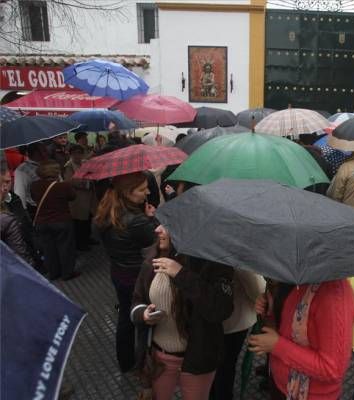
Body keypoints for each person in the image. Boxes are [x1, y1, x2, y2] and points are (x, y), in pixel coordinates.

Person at [131, 225, 234, 400]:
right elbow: (136, 301)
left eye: (167, 225)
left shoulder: (214, 263)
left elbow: (219, 310)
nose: (157, 229)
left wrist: (180, 273)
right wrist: (143, 314)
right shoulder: (152, 259)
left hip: (198, 359)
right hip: (160, 358)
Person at [249, 278, 354, 400]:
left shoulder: (335, 296)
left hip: (309, 394)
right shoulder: (299, 278)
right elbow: (287, 327)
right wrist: (268, 310)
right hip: (281, 384)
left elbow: (332, 369)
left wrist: (277, 346)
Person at [95, 172, 157, 372]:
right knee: (142, 321)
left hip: (118, 273)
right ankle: (144, 365)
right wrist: (151, 219)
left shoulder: (106, 210)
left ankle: (125, 361)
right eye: (142, 189)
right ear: (127, 192)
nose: (147, 192)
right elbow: (153, 242)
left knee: (125, 317)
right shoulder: (136, 220)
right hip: (138, 279)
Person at [212, 270, 265, 400]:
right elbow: (258, 290)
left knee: (217, 366)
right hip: (234, 322)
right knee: (226, 368)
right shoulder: (241, 255)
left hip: (214, 319)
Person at [30, 160, 78, 280]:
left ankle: (53, 273)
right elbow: (73, 197)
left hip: (42, 222)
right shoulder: (63, 186)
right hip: (61, 220)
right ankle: (67, 273)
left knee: (48, 249)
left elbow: (33, 198)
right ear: (56, 172)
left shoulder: (34, 185)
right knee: (65, 247)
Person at [63, 145, 97, 251]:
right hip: (77, 199)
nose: (77, 155)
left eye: (79, 153)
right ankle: (81, 243)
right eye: (75, 153)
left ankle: (87, 238)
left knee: (88, 219)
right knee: (79, 223)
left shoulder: (85, 163)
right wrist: (87, 182)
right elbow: (70, 181)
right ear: (71, 154)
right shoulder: (68, 166)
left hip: (89, 197)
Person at [1, 162, 34, 264]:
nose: (5, 188)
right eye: (1, 183)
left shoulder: (14, 198)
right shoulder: (6, 219)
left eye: (8, 182)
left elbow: (24, 223)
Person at [14, 143, 48, 214]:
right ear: (35, 153)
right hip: (36, 208)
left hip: (54, 205)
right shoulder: (22, 169)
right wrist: (24, 212)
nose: (47, 152)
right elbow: (20, 192)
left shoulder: (50, 164)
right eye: (44, 150)